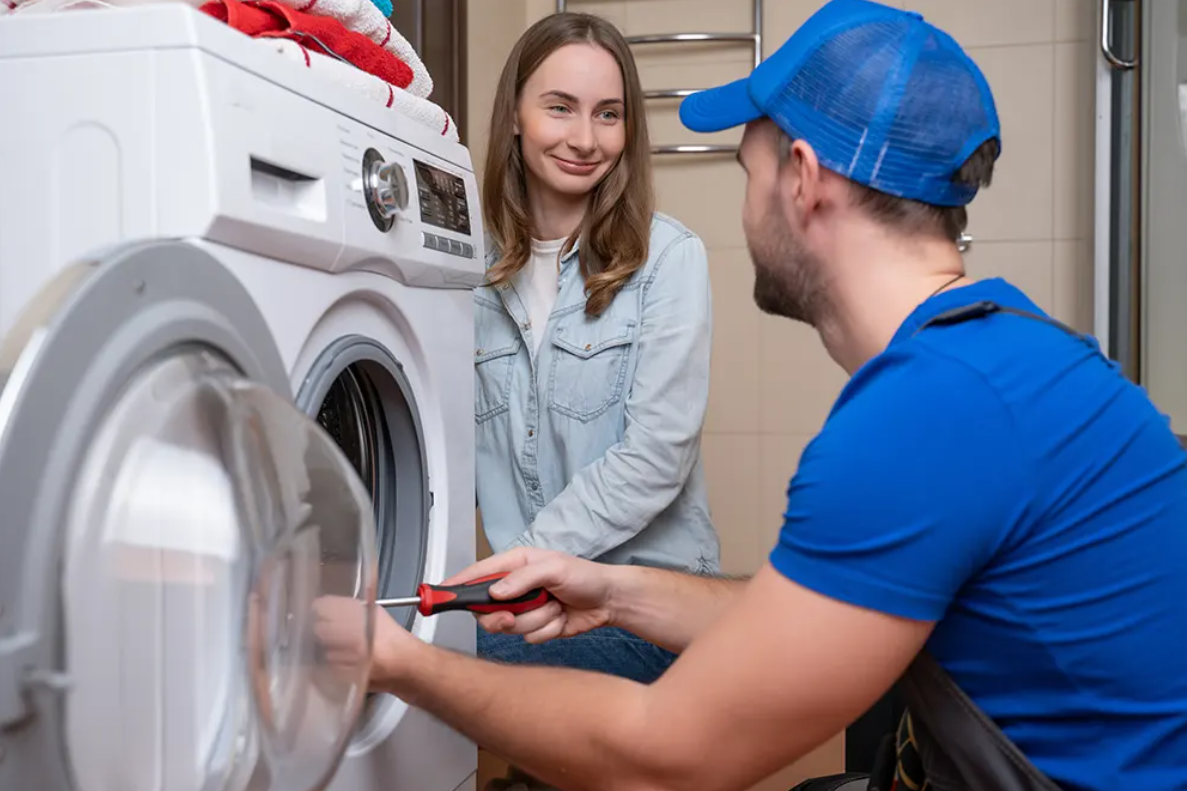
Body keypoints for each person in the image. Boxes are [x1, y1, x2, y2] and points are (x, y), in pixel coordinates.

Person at [317, 1, 1187, 789]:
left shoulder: (922, 418)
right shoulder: (993, 359)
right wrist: (611, 591)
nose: (740, 205)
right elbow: (802, 610)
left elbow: (666, 755)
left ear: (801, 178)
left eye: (745, 168)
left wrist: (397, 663)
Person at [470, 10, 720, 684]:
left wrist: (513, 566)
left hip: (646, 610)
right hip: (532, 602)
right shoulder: (470, 279)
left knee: (425, 657)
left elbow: (654, 458)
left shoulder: (669, 258)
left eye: (608, 115)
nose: (585, 138)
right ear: (515, 116)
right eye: (560, 108)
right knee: (402, 642)